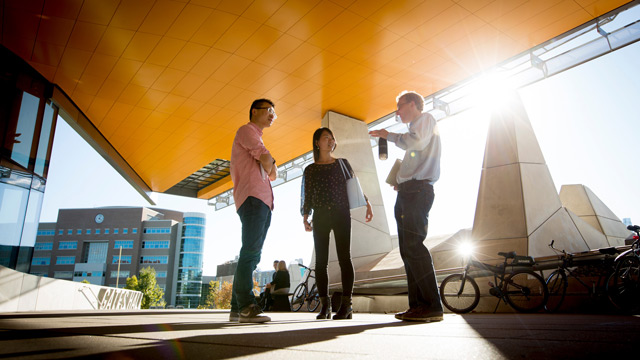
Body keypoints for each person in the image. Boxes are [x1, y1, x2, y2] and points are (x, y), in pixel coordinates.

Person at [369, 91, 444, 322]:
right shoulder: (415, 127)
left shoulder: (426, 120)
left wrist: (388, 135)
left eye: (399, 106)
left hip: (418, 191)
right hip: (408, 191)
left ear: (413, 104)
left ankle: (431, 305)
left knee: (414, 246)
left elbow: (416, 142)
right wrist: (401, 179)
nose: (397, 112)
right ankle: (417, 306)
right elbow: (414, 153)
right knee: (406, 250)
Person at [301, 127, 373, 320]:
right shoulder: (310, 169)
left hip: (341, 213)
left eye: (333, 138)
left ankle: (347, 306)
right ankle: (324, 307)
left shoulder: (342, 163)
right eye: (326, 138)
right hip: (321, 216)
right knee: (321, 262)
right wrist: (305, 216)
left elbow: (354, 185)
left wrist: (367, 203)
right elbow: (307, 195)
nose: (331, 141)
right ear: (317, 142)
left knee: (344, 258)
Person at [229, 98, 278, 323]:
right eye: (268, 110)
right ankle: (247, 306)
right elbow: (267, 161)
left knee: (253, 254)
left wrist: (270, 165)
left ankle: (236, 308)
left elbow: (273, 172)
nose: (272, 115)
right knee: (250, 252)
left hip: (263, 202)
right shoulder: (247, 131)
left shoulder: (256, 136)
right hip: (253, 198)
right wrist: (270, 163)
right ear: (253, 111)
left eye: (273, 112)